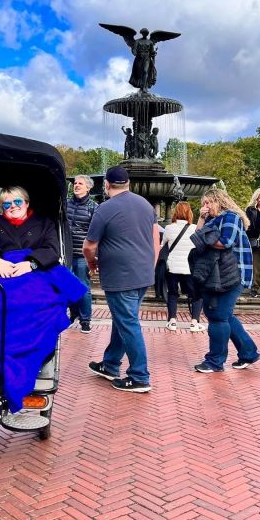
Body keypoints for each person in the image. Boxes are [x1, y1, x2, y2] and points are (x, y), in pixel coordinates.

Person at [83, 166, 156, 393]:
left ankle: (139, 376)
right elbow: (155, 240)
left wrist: (91, 262)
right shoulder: (145, 205)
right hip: (143, 273)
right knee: (123, 319)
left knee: (128, 323)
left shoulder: (105, 209)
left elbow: (89, 246)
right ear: (128, 183)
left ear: (106, 184)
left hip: (120, 275)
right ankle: (110, 364)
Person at [193, 188, 259, 373]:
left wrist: (203, 239)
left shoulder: (231, 217)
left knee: (218, 316)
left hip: (232, 274)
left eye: (208, 203)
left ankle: (215, 361)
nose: (205, 207)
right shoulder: (212, 219)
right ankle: (248, 353)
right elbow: (196, 238)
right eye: (203, 203)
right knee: (225, 315)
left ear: (218, 201)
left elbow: (225, 242)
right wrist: (201, 219)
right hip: (217, 275)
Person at [0, 186, 60, 276]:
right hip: (0, 272)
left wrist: (31, 265)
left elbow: (52, 249)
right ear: (3, 208)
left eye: (18, 201)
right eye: (7, 204)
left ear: (27, 203)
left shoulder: (45, 224)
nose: (13, 206)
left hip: (36, 270)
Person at [161, 201, 205, 332]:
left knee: (173, 293)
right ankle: (194, 322)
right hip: (189, 268)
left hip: (172, 267)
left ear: (176, 212)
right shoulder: (194, 229)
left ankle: (172, 321)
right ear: (189, 213)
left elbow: (164, 246)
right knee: (196, 295)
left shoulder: (169, 228)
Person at [67, 175, 98, 333]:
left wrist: (94, 255)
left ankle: (85, 320)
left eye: (80, 183)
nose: (76, 185)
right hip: (66, 252)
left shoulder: (94, 207)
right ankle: (73, 313)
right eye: (75, 183)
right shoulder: (65, 204)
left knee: (83, 287)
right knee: (67, 284)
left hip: (82, 253)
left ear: (88, 188)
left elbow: (97, 233)